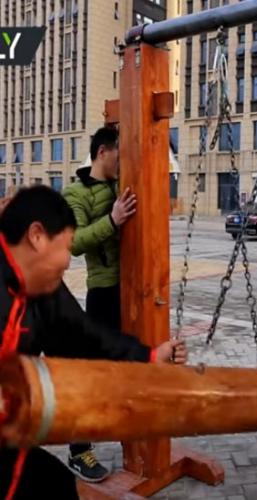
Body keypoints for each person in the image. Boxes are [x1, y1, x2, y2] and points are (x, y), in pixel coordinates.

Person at [0, 186, 187, 499]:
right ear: (36, 236)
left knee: (55, 485)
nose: (68, 261)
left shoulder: (40, 286)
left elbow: (85, 334)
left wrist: (151, 355)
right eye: (66, 246)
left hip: (10, 443)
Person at [62, 126, 136, 481]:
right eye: (119, 153)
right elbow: (74, 242)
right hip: (104, 292)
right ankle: (79, 451)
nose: (123, 159)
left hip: (136, 290)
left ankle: (131, 434)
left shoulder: (123, 182)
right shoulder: (75, 192)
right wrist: (112, 219)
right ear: (104, 151)